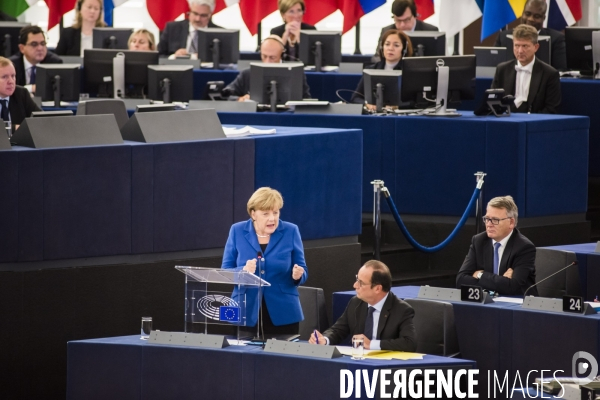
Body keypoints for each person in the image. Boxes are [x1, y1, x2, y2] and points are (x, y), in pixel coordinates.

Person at [221, 187, 307, 335]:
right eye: (266, 213)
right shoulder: (237, 230)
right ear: (253, 214)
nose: (272, 218)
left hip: (284, 311)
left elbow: (303, 269)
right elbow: (225, 271)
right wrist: (242, 271)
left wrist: (298, 275)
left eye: (276, 212)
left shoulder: (291, 231)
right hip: (243, 308)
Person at [310, 260, 416, 351]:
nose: (355, 285)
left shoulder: (402, 310)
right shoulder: (356, 303)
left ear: (377, 288)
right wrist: (325, 339)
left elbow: (409, 343)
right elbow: (338, 330)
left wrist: (371, 344)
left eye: (361, 283)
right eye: (357, 279)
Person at [456, 195, 537, 296]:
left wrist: (480, 275)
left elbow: (512, 287)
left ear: (511, 222)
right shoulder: (479, 241)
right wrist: (501, 281)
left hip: (518, 305)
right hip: (488, 302)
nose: (489, 224)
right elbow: (461, 280)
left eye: (495, 220)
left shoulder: (524, 247)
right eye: (487, 219)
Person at [491, 24, 561, 114]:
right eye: (516, 46)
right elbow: (493, 102)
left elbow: (551, 109)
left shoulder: (550, 74)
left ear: (536, 47)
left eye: (525, 46)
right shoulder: (502, 70)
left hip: (535, 124)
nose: (520, 51)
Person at [224, 35, 311, 101]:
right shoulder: (247, 74)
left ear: (282, 55)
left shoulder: (296, 73)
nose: (268, 61)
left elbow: (306, 100)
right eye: (264, 56)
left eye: (272, 57)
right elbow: (227, 95)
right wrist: (240, 99)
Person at [495, 0, 566, 71]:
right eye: (527, 14)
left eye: (536, 16)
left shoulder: (556, 39)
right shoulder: (503, 37)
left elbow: (561, 71)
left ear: (543, 18)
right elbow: (493, 66)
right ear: (522, 14)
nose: (531, 19)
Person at [351, 29, 413, 108]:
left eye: (396, 45)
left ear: (404, 49)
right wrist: (367, 104)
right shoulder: (371, 69)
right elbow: (355, 98)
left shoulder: (409, 72)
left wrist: (398, 106)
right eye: (387, 44)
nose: (390, 48)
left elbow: (415, 102)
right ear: (382, 47)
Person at [157, 0, 223, 58]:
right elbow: (158, 56)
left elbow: (225, 60)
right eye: (195, 13)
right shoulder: (172, 28)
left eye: (203, 15)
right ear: (190, 11)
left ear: (210, 15)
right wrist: (173, 57)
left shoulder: (220, 33)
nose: (198, 19)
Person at [9, 26, 62, 93]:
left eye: (43, 43)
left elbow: (55, 89)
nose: (40, 48)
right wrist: (30, 88)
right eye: (34, 44)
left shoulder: (54, 62)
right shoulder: (12, 64)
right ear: (22, 48)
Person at [0, 57, 41, 127]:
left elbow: (41, 119)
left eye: (13, 76)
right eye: (4, 77)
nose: (11, 81)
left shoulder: (21, 93)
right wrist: (13, 129)